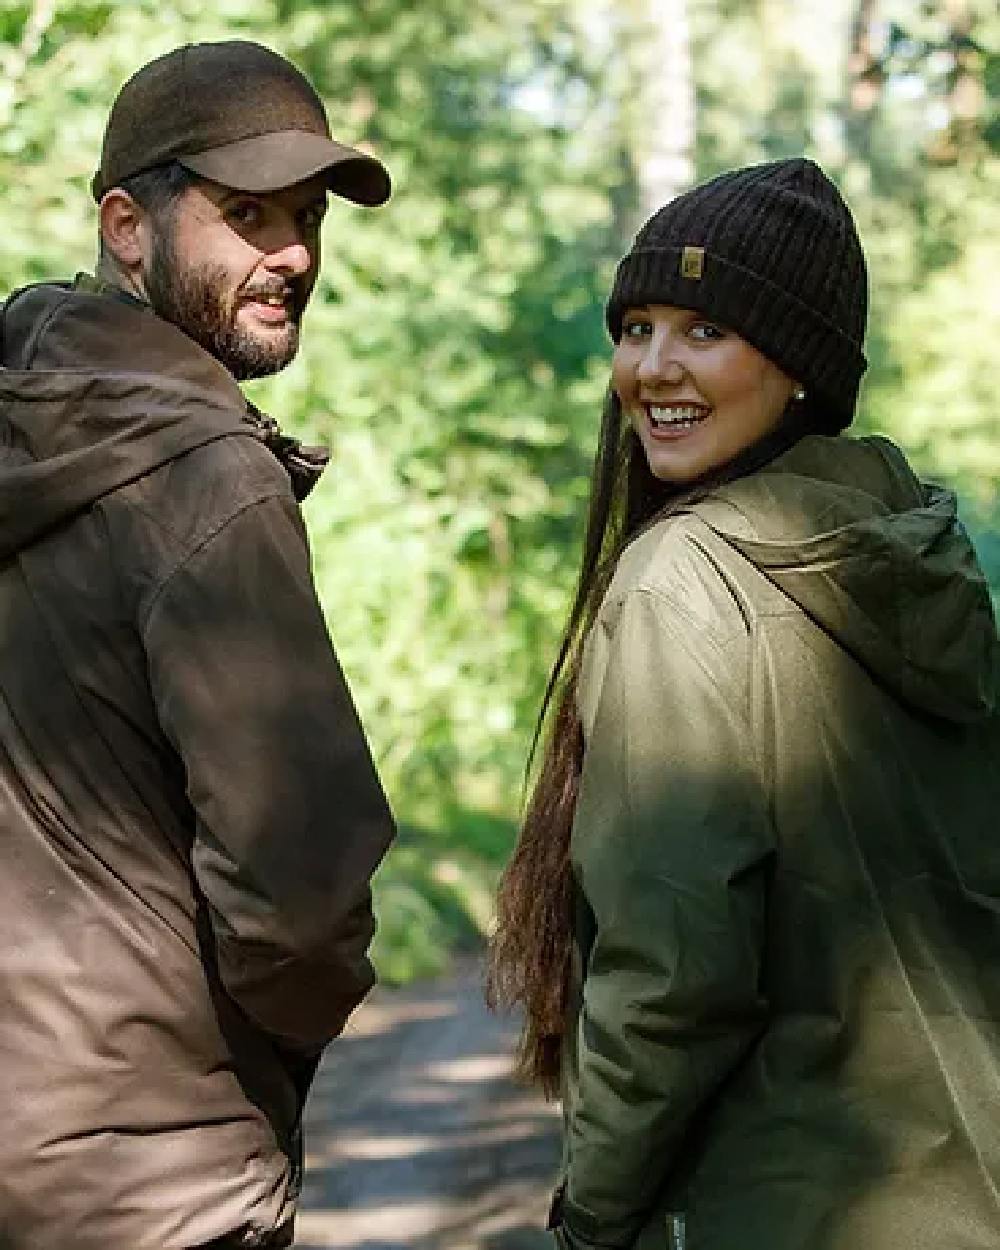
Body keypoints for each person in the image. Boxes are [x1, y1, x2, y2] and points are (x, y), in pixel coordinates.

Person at [488, 158, 1000, 1249]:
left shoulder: (686, 580)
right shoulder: (920, 553)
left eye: (704, 331)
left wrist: (593, 1210)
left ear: (800, 362)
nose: (649, 368)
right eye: (635, 327)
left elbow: (674, 975)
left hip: (781, 1203)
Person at [0, 40, 395, 1249]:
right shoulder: (212, 482)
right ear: (129, 225)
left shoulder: (25, 418)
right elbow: (300, 899)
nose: (289, 255)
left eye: (306, 218)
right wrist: (265, 1049)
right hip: (155, 1176)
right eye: (244, 214)